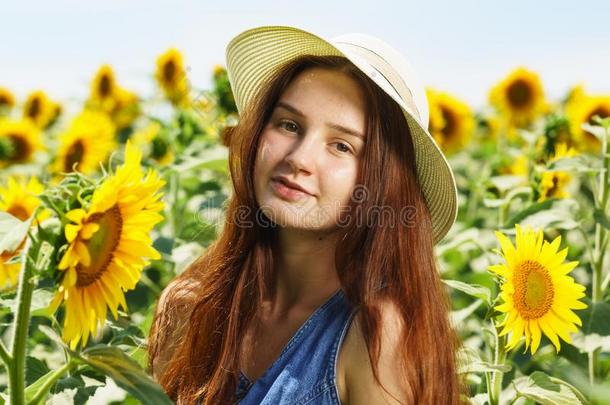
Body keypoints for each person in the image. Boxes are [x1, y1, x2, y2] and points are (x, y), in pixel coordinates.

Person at [148, 25, 468, 404]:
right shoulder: (191, 308)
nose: (299, 158)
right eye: (289, 124)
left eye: (341, 146)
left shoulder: (375, 339)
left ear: (383, 181)